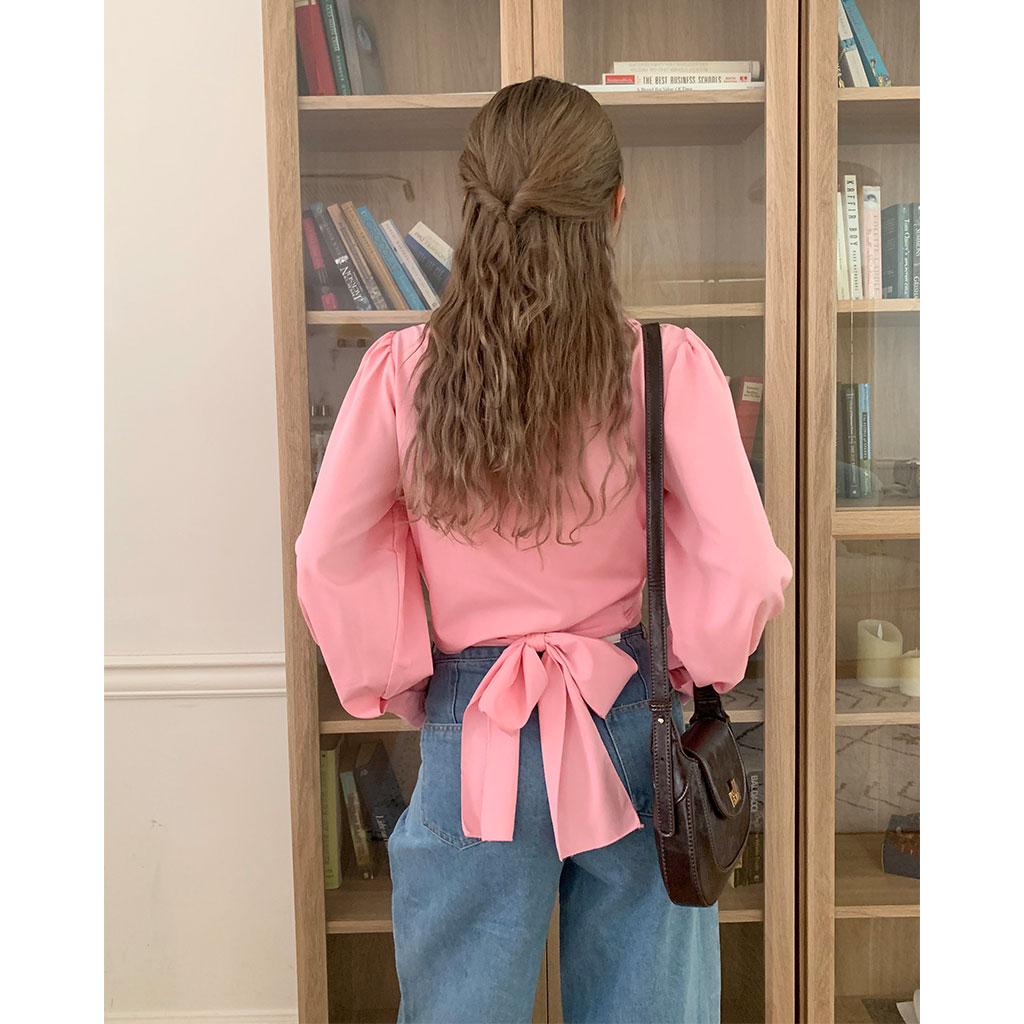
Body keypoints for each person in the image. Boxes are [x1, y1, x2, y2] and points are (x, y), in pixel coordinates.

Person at [294, 76, 793, 1024]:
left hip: (474, 721)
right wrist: (691, 666)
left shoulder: (402, 371)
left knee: (459, 1007)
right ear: (613, 208)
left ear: (471, 207)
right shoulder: (666, 366)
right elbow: (747, 561)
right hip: (633, 715)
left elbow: (330, 552)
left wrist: (405, 684)